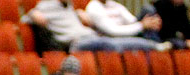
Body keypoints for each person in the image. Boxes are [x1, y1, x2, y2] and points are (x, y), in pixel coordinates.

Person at [21, 0, 170, 51]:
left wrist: (78, 14)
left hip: (89, 37)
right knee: (112, 44)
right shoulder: (47, 5)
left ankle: (153, 44)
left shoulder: (70, 7)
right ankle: (154, 45)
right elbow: (25, 18)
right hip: (76, 43)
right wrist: (33, 15)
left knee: (111, 42)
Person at [85, 0, 164, 44]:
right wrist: (142, 25)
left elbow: (132, 21)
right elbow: (113, 31)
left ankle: (155, 41)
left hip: (129, 33)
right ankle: (155, 43)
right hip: (111, 38)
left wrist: (147, 23)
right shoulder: (93, 7)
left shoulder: (113, 4)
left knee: (147, 10)